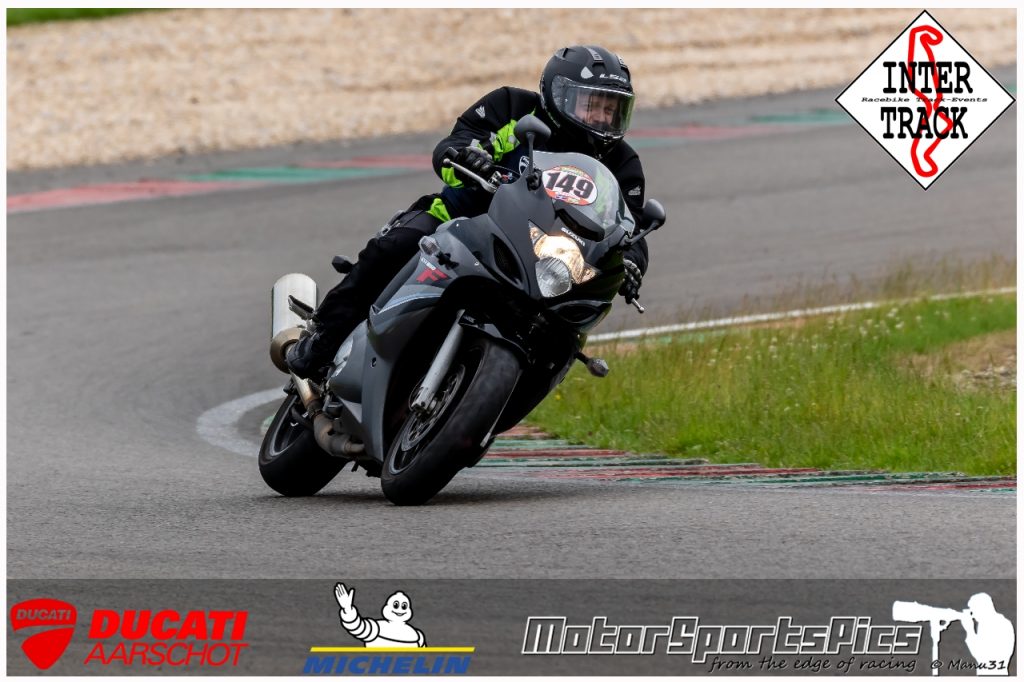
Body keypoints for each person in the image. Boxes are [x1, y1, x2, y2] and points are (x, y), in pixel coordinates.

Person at [287, 45, 652, 379]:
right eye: (593, 105)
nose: (603, 118)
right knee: (394, 247)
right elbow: (454, 144)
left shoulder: (622, 164)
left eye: (612, 109)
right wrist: (468, 158)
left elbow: (628, 229)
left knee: (565, 336)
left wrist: (632, 263)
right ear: (559, 95)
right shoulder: (511, 106)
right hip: (461, 222)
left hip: (542, 259)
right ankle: (322, 339)